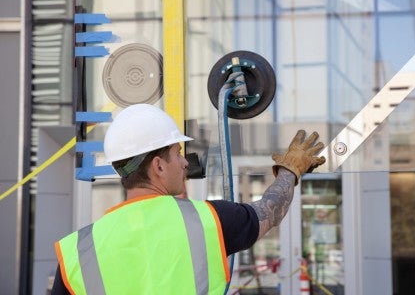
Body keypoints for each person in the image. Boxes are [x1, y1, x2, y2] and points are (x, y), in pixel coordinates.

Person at [51, 103, 326, 294]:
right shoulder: (207, 221)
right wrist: (290, 170)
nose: (185, 163)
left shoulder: (78, 251)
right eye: (177, 153)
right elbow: (271, 211)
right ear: (158, 166)